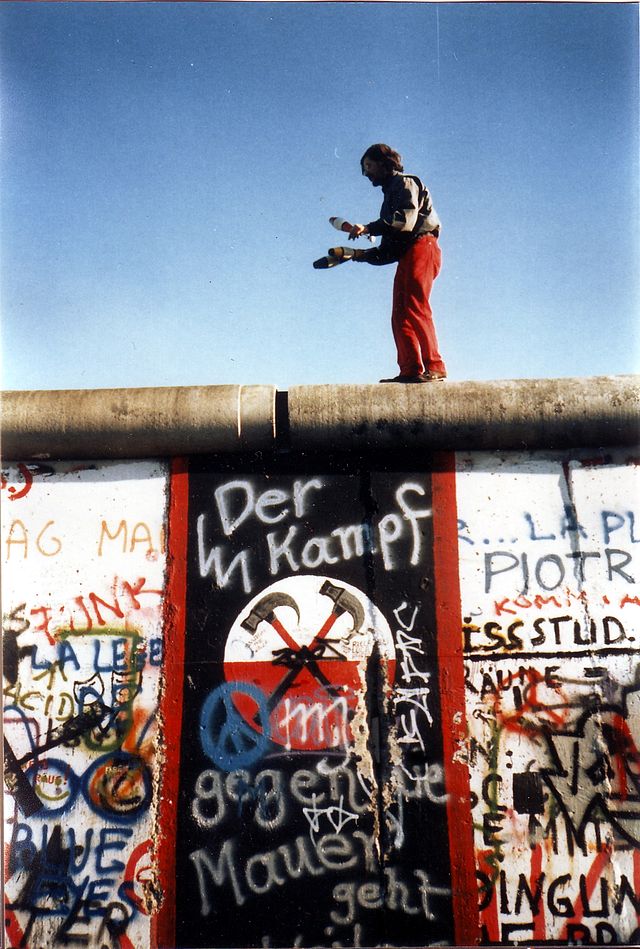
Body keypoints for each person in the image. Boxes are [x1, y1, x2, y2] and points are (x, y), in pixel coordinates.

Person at [347, 144, 446, 384]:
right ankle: (410, 369)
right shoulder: (387, 202)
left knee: (415, 305)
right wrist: (355, 254)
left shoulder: (406, 183)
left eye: (368, 166)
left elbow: (405, 221)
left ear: (384, 162)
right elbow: (387, 253)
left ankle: (435, 366)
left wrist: (369, 228)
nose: (366, 173)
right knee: (400, 313)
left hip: (423, 246)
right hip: (407, 253)